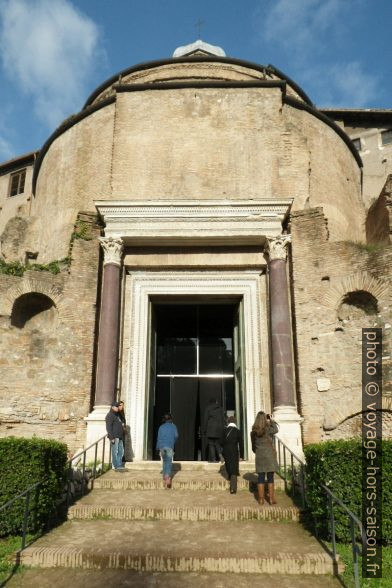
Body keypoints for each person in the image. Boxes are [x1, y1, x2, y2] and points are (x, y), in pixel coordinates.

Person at [250, 411, 279, 505]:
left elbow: (253, 447)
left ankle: (261, 499)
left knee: (261, 478)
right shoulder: (268, 429)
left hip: (260, 456)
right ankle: (271, 499)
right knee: (270, 477)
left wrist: (258, 452)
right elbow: (276, 429)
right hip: (269, 455)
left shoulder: (253, 432)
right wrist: (271, 420)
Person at [221, 416, 244, 494]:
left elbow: (221, 442)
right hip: (234, 450)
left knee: (229, 466)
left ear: (228, 422)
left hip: (226, 451)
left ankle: (231, 482)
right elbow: (241, 444)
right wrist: (242, 455)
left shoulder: (224, 431)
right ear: (235, 422)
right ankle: (233, 489)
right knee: (234, 468)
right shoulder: (238, 431)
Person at [156, 414, 178, 488]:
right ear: (171, 419)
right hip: (169, 446)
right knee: (168, 462)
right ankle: (167, 477)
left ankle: (164, 476)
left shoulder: (161, 427)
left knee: (165, 461)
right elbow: (176, 436)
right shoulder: (173, 426)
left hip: (162, 447)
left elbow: (159, 438)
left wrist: (158, 447)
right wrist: (173, 442)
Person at [203, 398, 225, 462]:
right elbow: (223, 419)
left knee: (211, 444)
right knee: (217, 443)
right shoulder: (220, 409)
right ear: (216, 402)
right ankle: (220, 455)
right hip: (218, 429)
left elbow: (206, 419)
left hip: (210, 429)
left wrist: (204, 430)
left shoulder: (208, 408)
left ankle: (214, 459)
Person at [105, 401, 125, 471]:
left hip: (120, 436)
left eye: (118, 406)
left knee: (121, 451)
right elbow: (108, 427)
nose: (118, 408)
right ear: (112, 407)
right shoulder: (109, 415)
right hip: (114, 437)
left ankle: (119, 465)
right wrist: (111, 437)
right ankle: (116, 466)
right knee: (115, 452)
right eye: (116, 406)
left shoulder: (117, 415)